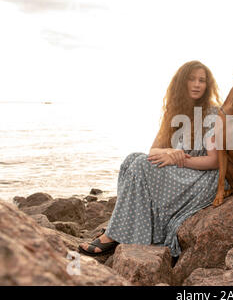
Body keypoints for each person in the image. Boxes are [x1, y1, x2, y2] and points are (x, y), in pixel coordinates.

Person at [79, 60, 222, 257]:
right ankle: (123, 228)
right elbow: (153, 150)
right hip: (183, 173)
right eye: (192, 79)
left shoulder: (213, 114)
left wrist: (178, 160)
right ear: (182, 82)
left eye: (202, 80)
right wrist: (169, 152)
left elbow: (215, 161)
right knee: (131, 160)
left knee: (141, 165)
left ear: (208, 85)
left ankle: (114, 235)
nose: (197, 84)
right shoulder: (175, 111)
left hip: (204, 177)